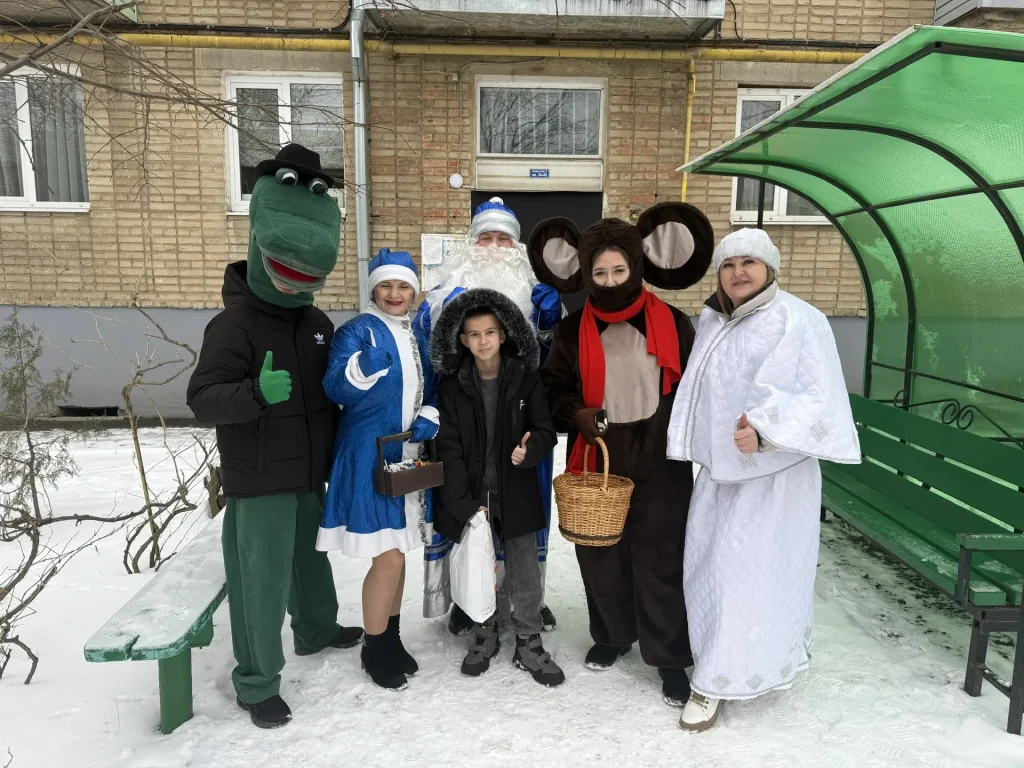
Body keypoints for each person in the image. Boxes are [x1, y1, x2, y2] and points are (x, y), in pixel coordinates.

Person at [185, 144, 363, 729]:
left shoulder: (316, 323)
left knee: (311, 563)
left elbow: (328, 395)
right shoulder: (233, 324)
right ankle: (257, 682)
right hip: (259, 481)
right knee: (259, 585)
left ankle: (316, 629)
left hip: (308, 473)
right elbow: (202, 399)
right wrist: (255, 393)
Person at [666, 228, 861, 732]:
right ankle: (720, 660)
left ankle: (714, 682)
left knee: (748, 578)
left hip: (775, 481)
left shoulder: (798, 318)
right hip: (720, 475)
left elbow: (819, 396)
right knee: (708, 572)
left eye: (749, 262)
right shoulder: (716, 319)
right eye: (729, 265)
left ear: (770, 268)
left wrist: (768, 434)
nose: (738, 273)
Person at [532, 202, 715, 707]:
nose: (610, 282)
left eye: (618, 270)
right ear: (582, 272)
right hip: (599, 454)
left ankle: (669, 655)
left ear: (637, 265)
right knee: (601, 554)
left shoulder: (672, 322)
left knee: (661, 556)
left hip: (661, 457)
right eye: (599, 273)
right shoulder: (571, 331)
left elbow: (696, 389)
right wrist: (576, 413)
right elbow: (553, 386)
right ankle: (613, 634)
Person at [416, 197, 563, 637]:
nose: (495, 247)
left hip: (518, 423)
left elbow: (552, 366)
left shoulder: (535, 294)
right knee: (464, 506)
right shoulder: (443, 292)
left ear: (517, 247)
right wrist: (438, 316)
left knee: (521, 517)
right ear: (471, 243)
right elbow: (425, 355)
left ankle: (526, 597)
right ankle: (468, 600)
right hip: (463, 420)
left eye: (504, 238)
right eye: (486, 238)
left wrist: (551, 326)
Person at [317, 248, 439, 692]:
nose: (394, 293)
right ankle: (373, 647)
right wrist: (362, 367)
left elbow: (435, 385)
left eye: (403, 286)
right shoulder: (356, 331)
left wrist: (430, 415)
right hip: (367, 455)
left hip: (406, 456)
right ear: (373, 288)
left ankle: (391, 638)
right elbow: (334, 387)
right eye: (386, 285)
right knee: (388, 557)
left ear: (413, 291)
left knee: (399, 550)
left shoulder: (418, 336)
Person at [430, 288, 564, 686]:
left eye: (490, 332)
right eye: (474, 334)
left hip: (516, 488)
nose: (483, 341)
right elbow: (447, 448)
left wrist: (531, 448)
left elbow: (545, 430)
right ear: (463, 340)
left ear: (503, 335)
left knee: (524, 566)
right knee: (479, 564)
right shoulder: (454, 387)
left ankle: (528, 638)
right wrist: (463, 502)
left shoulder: (525, 380)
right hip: (476, 494)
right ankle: (484, 629)